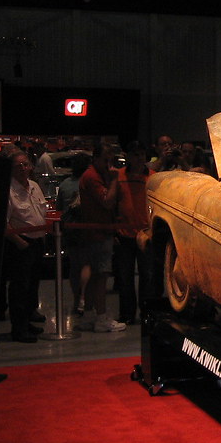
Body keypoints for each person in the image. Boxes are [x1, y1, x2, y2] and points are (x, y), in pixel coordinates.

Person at [78, 141, 126, 333]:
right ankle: (101, 317)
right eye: (105, 160)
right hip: (98, 233)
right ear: (95, 158)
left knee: (95, 275)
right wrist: (114, 180)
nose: (109, 165)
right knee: (100, 276)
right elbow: (107, 201)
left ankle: (89, 315)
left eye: (111, 160)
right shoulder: (92, 177)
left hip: (97, 232)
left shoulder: (94, 175)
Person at [3, 151, 48, 343]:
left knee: (32, 286)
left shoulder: (34, 186)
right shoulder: (8, 190)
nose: (23, 168)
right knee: (19, 288)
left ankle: (28, 320)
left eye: (25, 164)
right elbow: (4, 222)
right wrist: (20, 242)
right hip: (21, 243)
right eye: (18, 166)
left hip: (38, 241)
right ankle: (19, 328)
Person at [114, 141, 153, 324]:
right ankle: (127, 314)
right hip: (124, 234)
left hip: (146, 234)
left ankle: (146, 313)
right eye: (135, 154)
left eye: (142, 154)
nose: (139, 158)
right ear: (128, 156)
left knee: (147, 276)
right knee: (124, 277)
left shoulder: (153, 178)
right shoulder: (118, 176)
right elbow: (113, 203)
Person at [56, 151, 92, 316]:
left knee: (74, 266)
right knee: (87, 264)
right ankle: (85, 298)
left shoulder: (64, 185)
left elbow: (59, 208)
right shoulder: (90, 183)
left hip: (70, 229)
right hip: (87, 228)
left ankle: (77, 299)